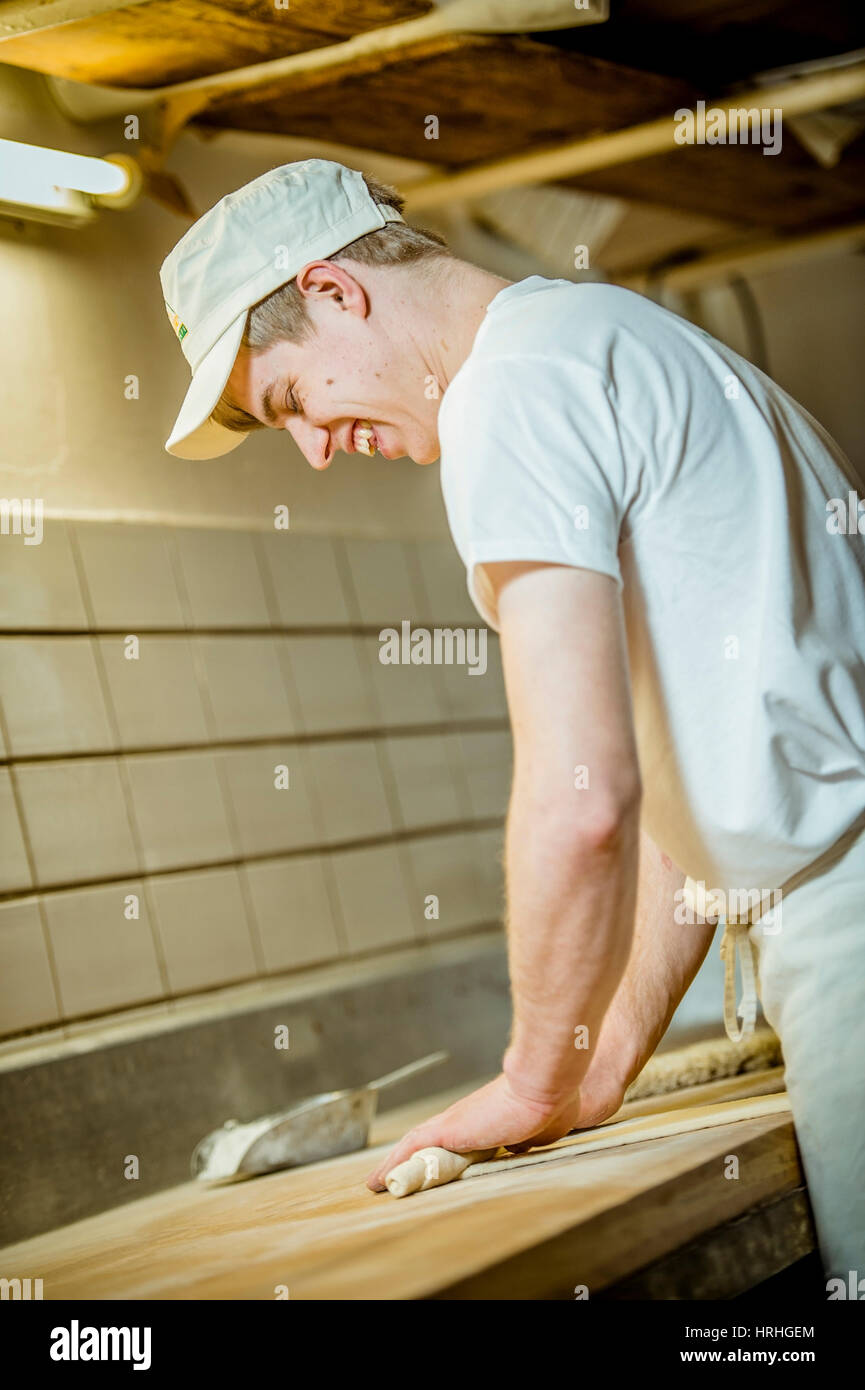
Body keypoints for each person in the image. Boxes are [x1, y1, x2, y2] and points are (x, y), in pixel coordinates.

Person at [161, 158, 865, 1280]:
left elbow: (582, 800)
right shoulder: (604, 336)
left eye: (292, 398)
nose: (313, 448)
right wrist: (600, 1061)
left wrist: (531, 1080)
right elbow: (705, 793)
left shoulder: (510, 394)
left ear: (336, 292)